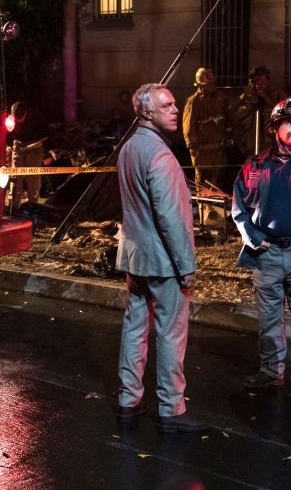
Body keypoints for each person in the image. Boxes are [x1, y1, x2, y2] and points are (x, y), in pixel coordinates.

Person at [115, 83, 207, 433]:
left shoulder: (128, 149)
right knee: (170, 333)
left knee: (135, 328)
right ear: (146, 113)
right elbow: (171, 219)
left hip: (135, 258)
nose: (174, 108)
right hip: (164, 262)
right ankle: (172, 410)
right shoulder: (161, 156)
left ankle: (128, 400)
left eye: (174, 102)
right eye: (167, 105)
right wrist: (187, 267)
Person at [231, 96, 291, 399]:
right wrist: (252, 236)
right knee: (270, 319)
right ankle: (271, 370)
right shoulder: (256, 166)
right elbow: (239, 207)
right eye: (290, 122)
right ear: (275, 127)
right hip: (267, 255)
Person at [183, 67, 231, 222]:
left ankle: (217, 218)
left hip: (218, 150)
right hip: (202, 152)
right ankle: (204, 218)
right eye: (208, 83)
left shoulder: (221, 99)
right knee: (202, 186)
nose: (212, 86)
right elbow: (188, 127)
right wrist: (192, 147)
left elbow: (228, 121)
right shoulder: (194, 101)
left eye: (212, 83)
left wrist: (229, 139)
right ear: (200, 85)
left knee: (217, 186)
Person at [232, 66, 282, 161]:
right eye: (259, 80)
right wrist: (249, 104)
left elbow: (283, 112)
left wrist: (267, 99)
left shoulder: (277, 94)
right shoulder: (246, 97)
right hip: (251, 142)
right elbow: (236, 115)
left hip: (271, 141)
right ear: (253, 82)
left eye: (264, 79)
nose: (262, 83)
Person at [8, 101, 48, 211]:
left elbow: (46, 134)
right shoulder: (10, 120)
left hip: (34, 145)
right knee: (16, 177)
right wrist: (8, 146)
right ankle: (13, 207)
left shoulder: (36, 117)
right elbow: (6, 135)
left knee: (33, 178)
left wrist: (38, 143)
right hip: (18, 144)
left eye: (21, 118)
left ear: (26, 113)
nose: (18, 121)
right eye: (16, 119)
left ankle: (33, 207)